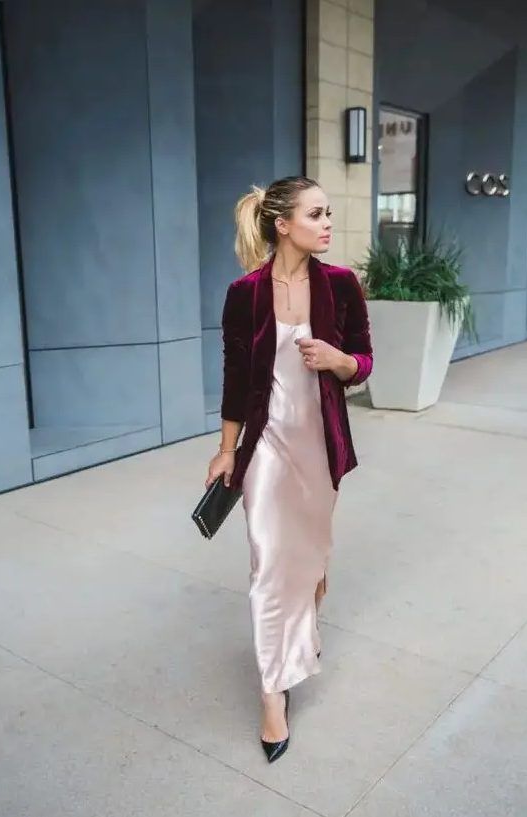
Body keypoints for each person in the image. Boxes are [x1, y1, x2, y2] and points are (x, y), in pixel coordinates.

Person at [205, 176, 373, 763]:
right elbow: (233, 379)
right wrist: (227, 449)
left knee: (308, 563)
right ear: (282, 223)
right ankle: (272, 694)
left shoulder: (343, 286)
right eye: (316, 214)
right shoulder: (244, 293)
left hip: (321, 450)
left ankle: (296, 640)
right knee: (269, 565)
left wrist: (340, 360)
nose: (328, 223)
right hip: (268, 451)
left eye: (329, 213)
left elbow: (365, 361)